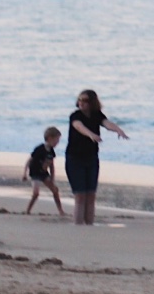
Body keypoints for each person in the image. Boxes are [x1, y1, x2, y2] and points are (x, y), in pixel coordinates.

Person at [63, 89, 127, 226]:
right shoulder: (75, 115)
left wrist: (118, 129)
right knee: (80, 195)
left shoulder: (96, 114)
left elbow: (106, 123)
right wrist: (91, 134)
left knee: (91, 194)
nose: (81, 103)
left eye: (85, 101)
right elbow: (78, 126)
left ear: (92, 103)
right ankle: (78, 225)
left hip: (91, 158)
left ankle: (89, 224)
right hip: (75, 158)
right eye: (80, 100)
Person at [22, 126, 65, 218]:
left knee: (55, 190)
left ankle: (61, 210)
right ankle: (28, 210)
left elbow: (51, 166)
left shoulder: (52, 152)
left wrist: (52, 178)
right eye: (56, 140)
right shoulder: (39, 149)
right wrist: (24, 173)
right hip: (35, 173)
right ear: (49, 138)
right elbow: (29, 160)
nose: (58, 142)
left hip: (44, 174)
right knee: (36, 193)